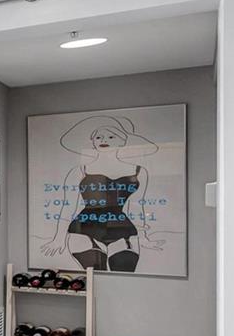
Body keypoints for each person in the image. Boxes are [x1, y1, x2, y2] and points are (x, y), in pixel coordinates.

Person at [39, 114, 161, 272]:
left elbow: (137, 207)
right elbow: (68, 207)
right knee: (95, 279)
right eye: (98, 137)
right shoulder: (80, 171)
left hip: (123, 230)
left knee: (124, 274)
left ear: (122, 141)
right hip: (84, 230)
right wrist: (58, 238)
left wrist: (144, 237)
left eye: (111, 136)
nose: (104, 140)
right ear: (93, 142)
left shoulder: (138, 172)